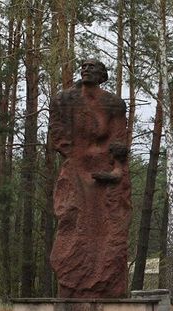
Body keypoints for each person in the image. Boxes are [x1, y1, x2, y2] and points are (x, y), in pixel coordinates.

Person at [50, 59, 131, 298]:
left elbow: (119, 142)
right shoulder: (64, 100)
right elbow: (58, 134)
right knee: (72, 221)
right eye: (83, 66)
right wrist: (75, 159)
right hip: (75, 169)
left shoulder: (113, 104)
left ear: (103, 75)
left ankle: (104, 281)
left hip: (104, 173)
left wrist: (115, 172)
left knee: (109, 228)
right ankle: (73, 279)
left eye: (93, 67)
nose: (86, 70)